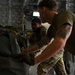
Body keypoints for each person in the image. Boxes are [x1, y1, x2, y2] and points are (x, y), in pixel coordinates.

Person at [20, 0, 75, 75]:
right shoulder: (52, 28)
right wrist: (26, 51)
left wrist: (34, 61)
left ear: (43, 9)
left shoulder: (63, 16)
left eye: (39, 12)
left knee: (42, 68)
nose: (39, 16)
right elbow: (42, 43)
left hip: (59, 51)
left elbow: (60, 42)